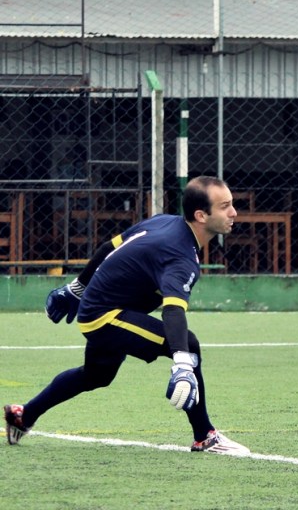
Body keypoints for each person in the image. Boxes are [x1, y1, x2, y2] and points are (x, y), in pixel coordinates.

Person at [4, 176, 250, 455]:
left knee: (96, 375)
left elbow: (108, 247)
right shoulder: (181, 256)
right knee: (188, 346)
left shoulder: (164, 221)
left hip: (102, 309)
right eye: (225, 206)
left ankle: (24, 415)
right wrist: (182, 362)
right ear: (201, 215)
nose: (234, 213)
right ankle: (205, 436)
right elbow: (172, 310)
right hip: (105, 316)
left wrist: (76, 289)